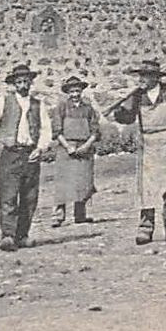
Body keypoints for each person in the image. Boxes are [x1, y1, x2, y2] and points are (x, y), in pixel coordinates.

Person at [111, 58, 166, 245]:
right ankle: (146, 227)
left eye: (146, 76)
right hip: (149, 145)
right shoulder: (137, 96)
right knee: (147, 189)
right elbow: (128, 118)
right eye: (140, 75)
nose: (142, 79)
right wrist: (119, 111)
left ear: (155, 78)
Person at [0, 63, 54, 252]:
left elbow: (45, 129)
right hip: (10, 154)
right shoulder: (3, 102)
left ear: (31, 83)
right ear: (14, 84)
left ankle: (22, 235)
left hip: (30, 155)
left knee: (29, 197)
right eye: (19, 82)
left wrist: (40, 148)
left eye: (26, 81)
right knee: (8, 195)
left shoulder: (38, 105)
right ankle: (8, 235)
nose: (23, 85)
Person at [50, 75, 101, 227]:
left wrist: (86, 146)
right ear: (67, 92)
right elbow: (56, 131)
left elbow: (95, 131)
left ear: (82, 91)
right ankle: (58, 216)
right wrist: (68, 147)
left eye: (78, 91)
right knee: (63, 182)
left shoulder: (88, 109)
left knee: (83, 182)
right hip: (66, 148)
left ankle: (80, 215)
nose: (75, 95)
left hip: (85, 148)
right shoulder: (61, 108)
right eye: (72, 92)